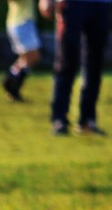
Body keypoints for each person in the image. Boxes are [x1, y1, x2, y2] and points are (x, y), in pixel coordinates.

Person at [40, 0, 110, 135]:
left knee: (95, 64)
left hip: (101, 4)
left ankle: (87, 120)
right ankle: (59, 118)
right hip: (70, 4)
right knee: (66, 61)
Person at [2, 0, 41, 101]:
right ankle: (12, 85)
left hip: (24, 21)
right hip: (20, 22)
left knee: (29, 57)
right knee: (31, 56)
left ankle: (11, 79)